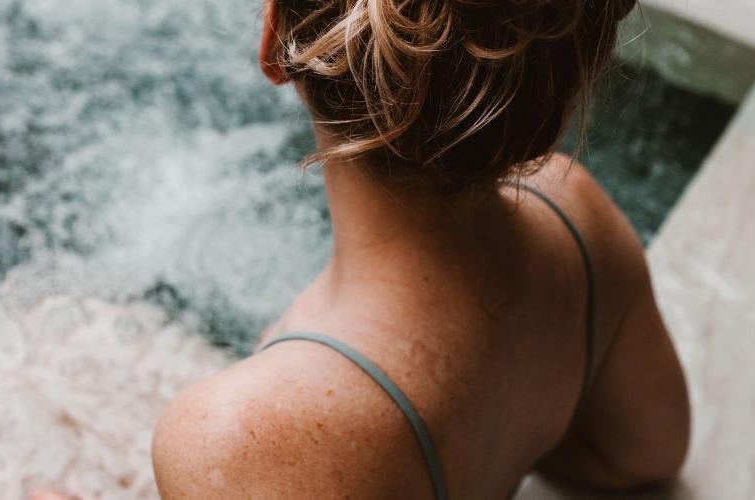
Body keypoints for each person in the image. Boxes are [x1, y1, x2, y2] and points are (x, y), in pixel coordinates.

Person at [44, 1, 692, 498]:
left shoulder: (238, 438)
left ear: (273, 43)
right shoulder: (576, 215)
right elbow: (646, 453)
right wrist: (500, 418)